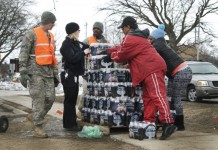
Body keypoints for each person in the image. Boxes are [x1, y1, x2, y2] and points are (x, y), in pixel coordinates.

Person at [103, 16, 177, 140]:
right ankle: (149, 121)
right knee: (148, 98)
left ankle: (168, 123)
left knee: (158, 95)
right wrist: (108, 51)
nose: (122, 30)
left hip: (152, 68)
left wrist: (111, 56)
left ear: (128, 26)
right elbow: (121, 48)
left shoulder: (131, 38)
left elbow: (122, 55)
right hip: (146, 70)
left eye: (123, 28)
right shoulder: (136, 37)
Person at [19, 11, 58, 138]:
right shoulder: (31, 34)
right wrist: (23, 72)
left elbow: (52, 57)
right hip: (35, 72)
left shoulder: (51, 36)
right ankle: (38, 126)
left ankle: (35, 116)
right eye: (52, 23)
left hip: (48, 73)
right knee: (39, 99)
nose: (53, 25)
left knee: (51, 98)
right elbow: (24, 52)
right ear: (47, 21)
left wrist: (55, 73)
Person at [149, 24, 192, 131]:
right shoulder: (162, 44)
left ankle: (179, 124)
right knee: (169, 96)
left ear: (154, 38)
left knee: (176, 98)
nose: (149, 40)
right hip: (179, 72)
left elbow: (147, 54)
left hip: (181, 72)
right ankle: (171, 120)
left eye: (150, 38)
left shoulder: (157, 46)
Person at [60, 22, 90, 131]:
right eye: (78, 30)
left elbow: (85, 47)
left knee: (73, 99)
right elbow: (72, 58)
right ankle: (69, 124)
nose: (79, 32)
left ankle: (72, 122)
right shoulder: (66, 44)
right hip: (68, 75)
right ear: (73, 31)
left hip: (75, 75)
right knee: (69, 100)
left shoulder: (75, 43)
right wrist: (83, 53)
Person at [77, 22, 108, 118]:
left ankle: (95, 113)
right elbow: (80, 54)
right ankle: (80, 110)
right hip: (88, 70)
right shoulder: (87, 41)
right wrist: (82, 70)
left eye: (98, 28)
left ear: (101, 30)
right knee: (86, 91)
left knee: (100, 93)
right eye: (94, 28)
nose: (95, 30)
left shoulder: (106, 42)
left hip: (101, 72)